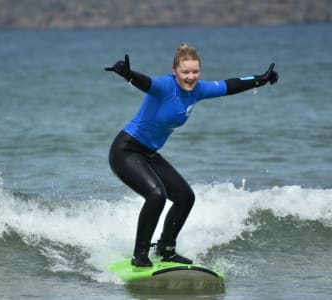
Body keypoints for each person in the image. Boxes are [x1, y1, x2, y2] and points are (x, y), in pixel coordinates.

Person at [105, 44, 278, 267]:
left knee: (185, 197)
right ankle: (139, 255)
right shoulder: (165, 86)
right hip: (125, 151)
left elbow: (229, 85)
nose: (190, 77)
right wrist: (129, 75)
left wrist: (260, 79)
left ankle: (166, 250)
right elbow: (146, 82)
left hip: (149, 153)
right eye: (185, 72)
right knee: (157, 195)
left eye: (195, 72)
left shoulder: (198, 90)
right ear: (175, 70)